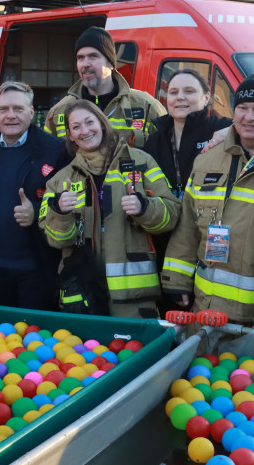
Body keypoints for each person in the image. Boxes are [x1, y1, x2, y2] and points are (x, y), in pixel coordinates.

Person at [160, 74, 254, 325]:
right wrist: (176, 280)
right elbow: (187, 226)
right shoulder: (207, 159)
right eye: (242, 108)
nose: (248, 117)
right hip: (204, 310)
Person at [40, 100, 180, 317]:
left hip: (133, 297)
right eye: (76, 127)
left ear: (102, 123)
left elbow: (172, 214)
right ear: (69, 135)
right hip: (83, 296)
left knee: (134, 352)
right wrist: (61, 213)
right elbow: (57, 240)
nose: (85, 131)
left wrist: (144, 208)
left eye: (89, 122)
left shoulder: (140, 162)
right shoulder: (59, 181)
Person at [0, 82, 69, 310]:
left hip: (38, 266)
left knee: (37, 337)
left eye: (18, 108)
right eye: (3, 109)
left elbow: (72, 199)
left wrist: (36, 211)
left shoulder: (56, 150)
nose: (11, 116)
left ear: (32, 112)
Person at [143, 69, 233, 273]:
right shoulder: (155, 141)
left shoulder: (223, 130)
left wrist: (233, 131)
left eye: (189, 91)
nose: (180, 97)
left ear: (207, 97)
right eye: (173, 92)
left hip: (207, 240)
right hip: (164, 241)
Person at [45, 26, 165, 150]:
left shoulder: (147, 106)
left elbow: (167, 156)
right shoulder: (59, 111)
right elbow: (47, 158)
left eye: (93, 56)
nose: (85, 64)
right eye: (80, 58)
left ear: (111, 63)